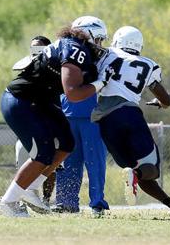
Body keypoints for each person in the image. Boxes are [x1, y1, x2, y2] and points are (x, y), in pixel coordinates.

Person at [0, 26, 101, 217]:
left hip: (40, 102)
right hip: (22, 100)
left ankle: (31, 189)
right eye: (98, 39)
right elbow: (72, 93)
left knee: (67, 143)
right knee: (43, 154)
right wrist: (100, 83)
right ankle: (7, 201)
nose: (100, 45)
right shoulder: (75, 48)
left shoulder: (76, 51)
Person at [92, 26, 170, 220]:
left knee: (135, 171)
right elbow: (167, 100)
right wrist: (160, 103)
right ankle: (136, 174)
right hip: (130, 114)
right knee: (149, 169)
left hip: (105, 120)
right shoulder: (148, 64)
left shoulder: (107, 54)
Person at [54, 17, 109, 216]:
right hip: (68, 113)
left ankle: (97, 203)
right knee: (68, 162)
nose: (100, 44)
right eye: (98, 39)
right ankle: (66, 202)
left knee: (95, 162)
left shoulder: (102, 57)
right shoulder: (70, 51)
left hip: (92, 115)